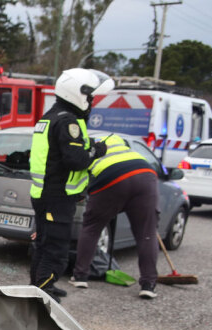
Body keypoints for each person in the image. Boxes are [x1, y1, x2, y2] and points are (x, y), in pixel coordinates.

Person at [28, 68, 113, 299]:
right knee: (55, 247)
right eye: (90, 96)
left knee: (44, 243)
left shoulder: (49, 117)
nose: (91, 101)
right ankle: (43, 289)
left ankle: (40, 286)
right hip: (56, 196)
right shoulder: (67, 122)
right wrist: (96, 151)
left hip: (45, 194)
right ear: (77, 93)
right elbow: (75, 161)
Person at [70, 134, 161, 299]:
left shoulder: (94, 153)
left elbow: (84, 182)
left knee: (92, 227)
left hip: (110, 179)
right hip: (146, 176)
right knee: (146, 234)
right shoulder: (130, 152)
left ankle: (80, 276)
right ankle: (148, 284)